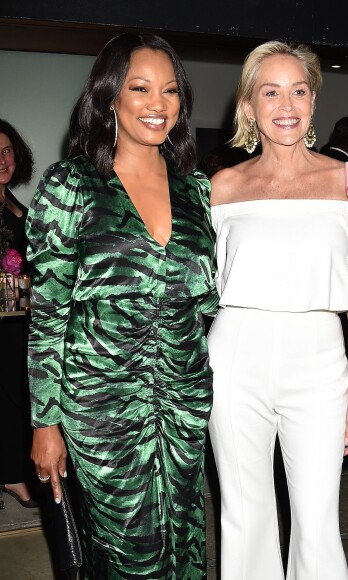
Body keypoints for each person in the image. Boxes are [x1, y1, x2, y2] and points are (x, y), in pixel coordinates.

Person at [25, 33, 218, 578]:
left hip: (183, 402)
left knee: (184, 542)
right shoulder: (73, 186)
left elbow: (207, 304)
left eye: (170, 91)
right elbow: (48, 317)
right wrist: (45, 423)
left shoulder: (195, 190)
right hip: (102, 407)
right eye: (140, 88)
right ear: (110, 97)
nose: (158, 104)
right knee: (128, 555)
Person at [207, 40, 348, 580]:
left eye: (299, 90)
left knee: (316, 521)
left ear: (313, 103)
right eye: (271, 91)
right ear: (248, 106)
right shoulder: (222, 187)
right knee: (244, 516)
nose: (286, 104)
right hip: (235, 355)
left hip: (317, 360)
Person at [0, 119, 39, 510]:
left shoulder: (13, 203)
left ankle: (12, 471)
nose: (1, 159)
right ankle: (11, 476)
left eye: (7, 150)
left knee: (19, 394)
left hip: (17, 316)